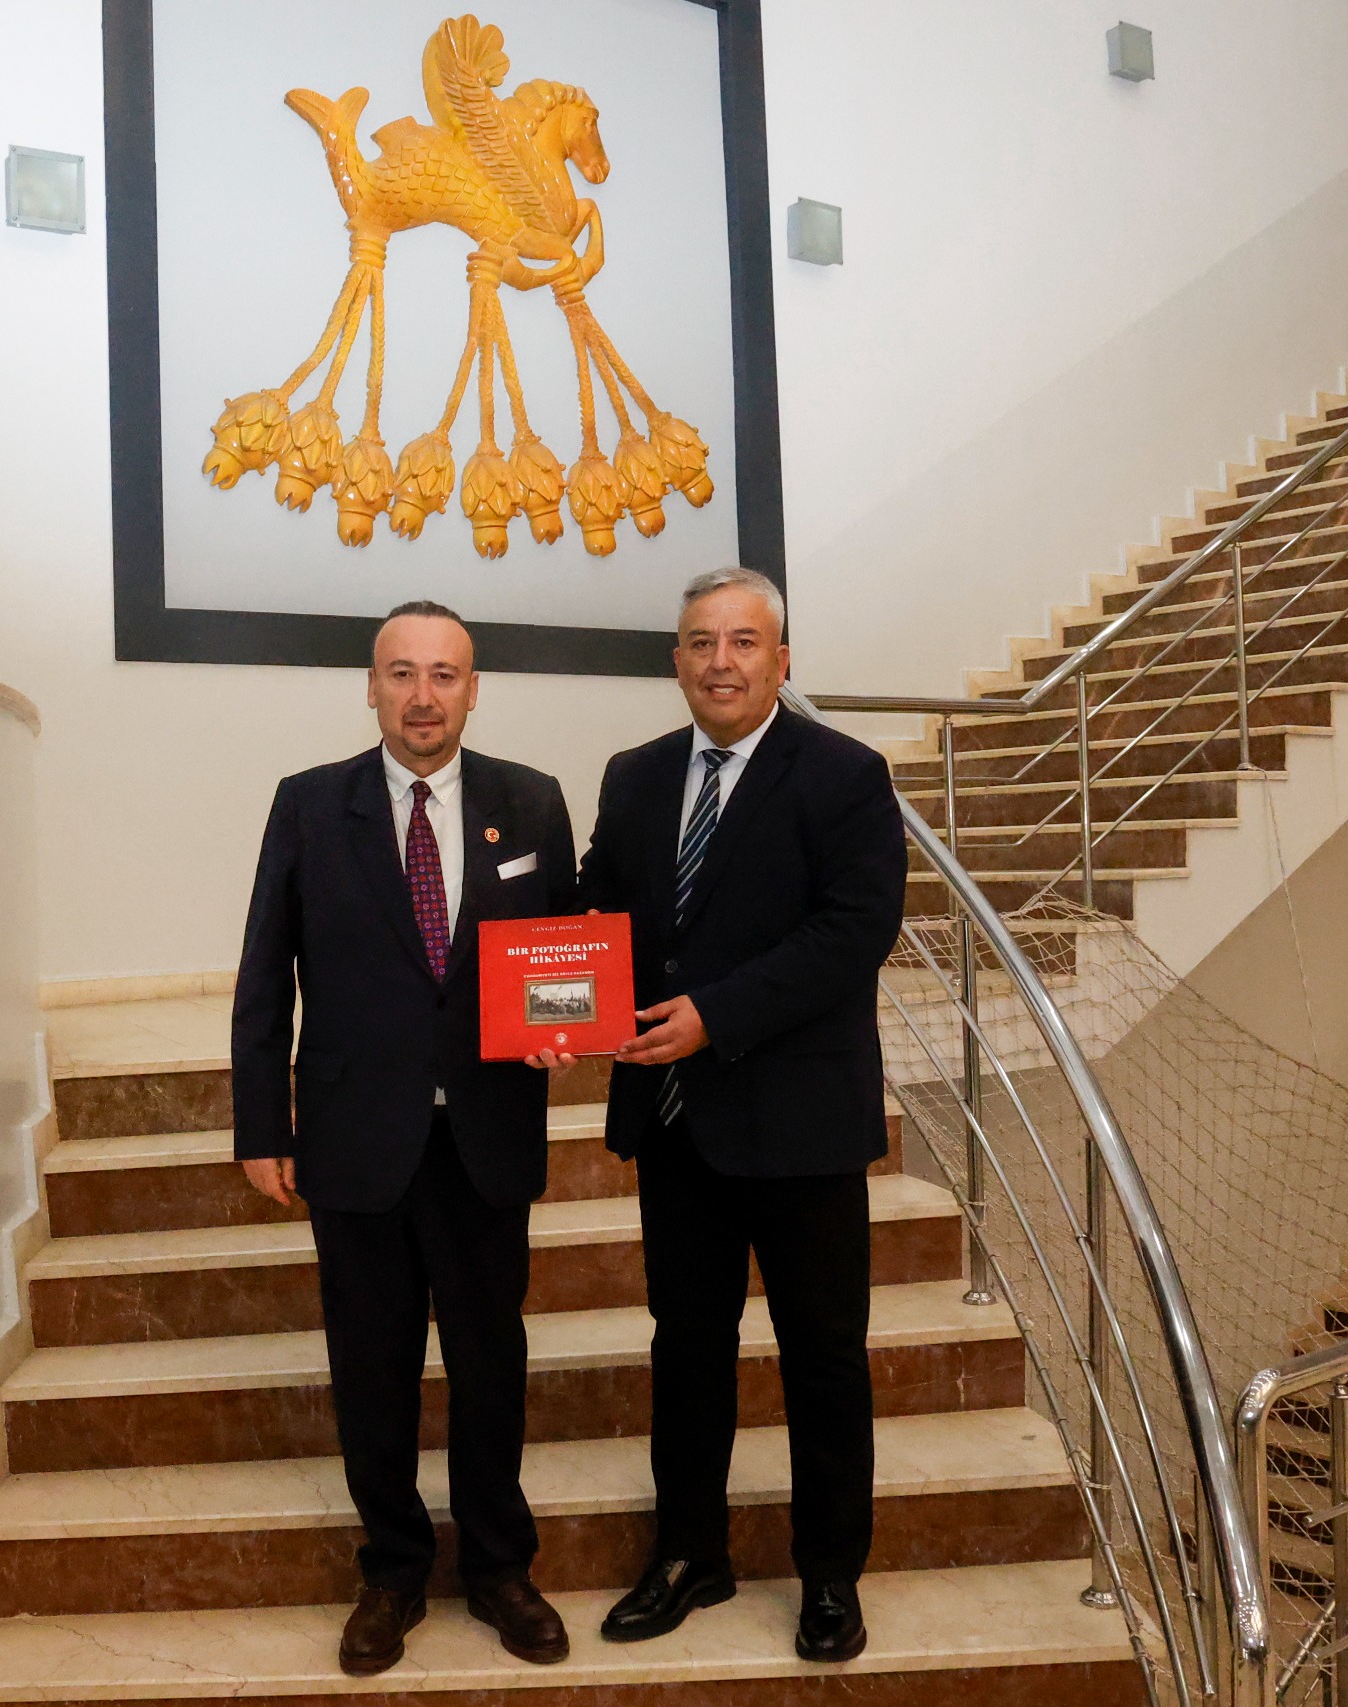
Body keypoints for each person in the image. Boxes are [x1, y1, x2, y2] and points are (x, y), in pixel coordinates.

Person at [233, 600, 581, 1676]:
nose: (423, 696)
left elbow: (561, 949)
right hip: (355, 1137)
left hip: (485, 1132)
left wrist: (562, 1024)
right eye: (402, 673)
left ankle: (498, 1566)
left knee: (489, 1362)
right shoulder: (308, 804)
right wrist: (261, 1122)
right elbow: (264, 973)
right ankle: (390, 1570)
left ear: (473, 690)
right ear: (372, 686)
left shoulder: (531, 800)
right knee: (371, 1369)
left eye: (443, 675)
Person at [571, 566, 906, 1662]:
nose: (721, 661)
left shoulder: (844, 774)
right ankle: (689, 1554)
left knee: (822, 1357)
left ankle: (829, 1575)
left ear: (782, 659)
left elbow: (854, 928)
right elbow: (599, 910)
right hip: (677, 1123)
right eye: (701, 642)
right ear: (676, 660)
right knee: (687, 1348)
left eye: (744, 642)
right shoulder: (633, 776)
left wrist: (716, 1015)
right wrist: (547, 999)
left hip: (801, 1122)